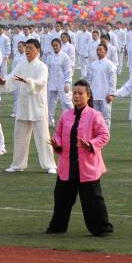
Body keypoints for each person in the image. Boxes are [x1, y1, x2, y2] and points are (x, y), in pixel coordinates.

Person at [46, 79, 113, 236]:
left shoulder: (95, 115)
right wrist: (57, 143)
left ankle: (102, 228)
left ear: (88, 96)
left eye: (80, 93)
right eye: (74, 93)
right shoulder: (66, 114)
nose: (76, 96)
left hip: (87, 165)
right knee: (62, 198)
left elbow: (104, 135)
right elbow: (59, 133)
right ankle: (58, 227)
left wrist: (90, 144)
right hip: (67, 165)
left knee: (93, 199)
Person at [0, 39, 57, 173]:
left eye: (30, 48)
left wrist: (28, 81)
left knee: (43, 137)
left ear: (38, 50)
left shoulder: (42, 66)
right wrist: (3, 82)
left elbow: (41, 82)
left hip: (37, 106)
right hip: (23, 105)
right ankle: (18, 164)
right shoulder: (21, 64)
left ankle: (50, 164)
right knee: (20, 136)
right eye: (27, 48)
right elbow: (12, 77)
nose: (27, 51)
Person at [86, 44, 117, 128]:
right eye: (97, 50)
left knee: (106, 117)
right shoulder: (92, 65)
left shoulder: (110, 65)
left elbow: (113, 81)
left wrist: (111, 93)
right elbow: (89, 80)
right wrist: (88, 93)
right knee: (95, 117)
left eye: (101, 50)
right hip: (94, 94)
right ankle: (97, 135)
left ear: (106, 51)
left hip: (105, 95)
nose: (98, 52)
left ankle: (105, 136)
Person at [46, 38, 73, 127]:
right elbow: (47, 70)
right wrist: (46, 82)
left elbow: (68, 71)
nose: (55, 47)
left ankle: (71, 121)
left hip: (62, 83)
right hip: (52, 83)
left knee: (66, 103)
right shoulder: (49, 57)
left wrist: (67, 83)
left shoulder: (65, 57)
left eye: (56, 45)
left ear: (60, 45)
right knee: (49, 103)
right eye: (53, 45)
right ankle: (49, 122)